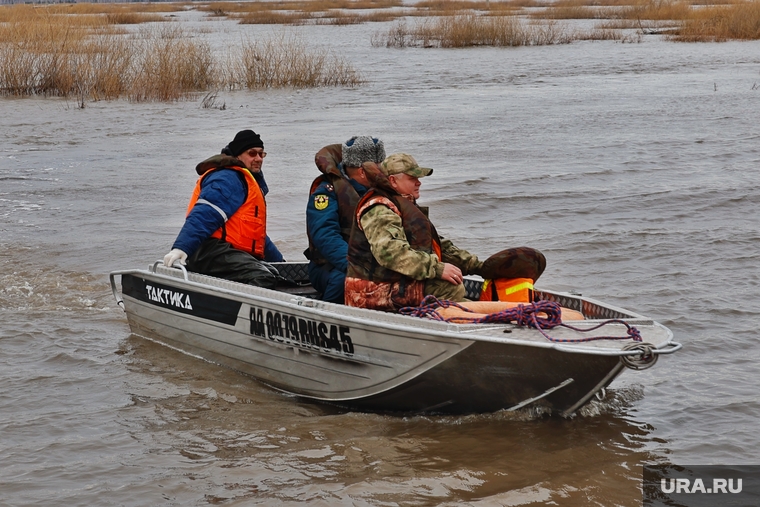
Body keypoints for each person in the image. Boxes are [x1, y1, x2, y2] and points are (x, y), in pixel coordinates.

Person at [345, 153, 546, 312]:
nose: (419, 182)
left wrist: (477, 266)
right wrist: (438, 269)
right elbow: (391, 254)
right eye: (412, 177)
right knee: (448, 287)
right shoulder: (378, 209)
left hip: (395, 283)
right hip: (368, 291)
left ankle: (491, 312)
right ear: (393, 181)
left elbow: (438, 246)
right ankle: (480, 321)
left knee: (455, 285)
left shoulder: (401, 204)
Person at [163, 129, 280, 288]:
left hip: (228, 251)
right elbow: (205, 214)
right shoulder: (227, 178)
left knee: (278, 274)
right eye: (252, 153)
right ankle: (235, 312)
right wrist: (181, 248)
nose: (258, 158)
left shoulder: (246, 180)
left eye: (261, 154)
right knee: (263, 277)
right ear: (238, 155)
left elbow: (256, 236)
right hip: (209, 251)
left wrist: (282, 264)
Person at [305, 136, 385, 303]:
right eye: (378, 167)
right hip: (332, 265)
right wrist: (357, 266)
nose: (382, 172)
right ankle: (327, 319)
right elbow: (325, 235)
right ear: (362, 171)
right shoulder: (327, 192)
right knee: (344, 279)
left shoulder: (382, 191)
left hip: (373, 262)